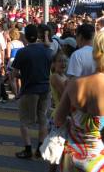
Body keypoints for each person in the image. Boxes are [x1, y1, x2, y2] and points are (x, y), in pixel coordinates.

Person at [55, 31, 104, 172]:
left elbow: (59, 120)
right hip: (99, 160)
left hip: (73, 157)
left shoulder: (75, 84)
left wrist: (77, 123)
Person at [12, 24, 52, 159]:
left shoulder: (22, 52)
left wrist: (21, 77)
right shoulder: (47, 50)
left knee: (25, 121)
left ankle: (28, 149)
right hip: (46, 89)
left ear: (25, 36)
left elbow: (15, 73)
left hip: (29, 90)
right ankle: (40, 149)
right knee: (43, 120)